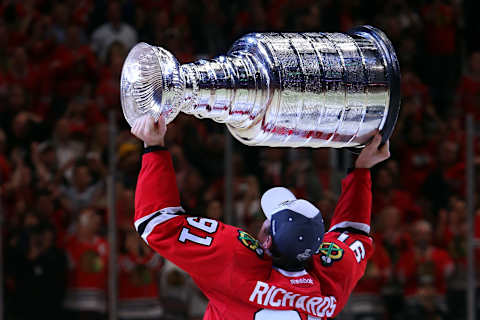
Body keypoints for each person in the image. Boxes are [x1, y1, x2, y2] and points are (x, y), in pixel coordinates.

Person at [131, 115, 390, 319]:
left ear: (266, 241)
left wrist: (153, 148)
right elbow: (353, 233)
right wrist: (362, 169)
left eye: (267, 220)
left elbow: (156, 223)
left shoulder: (236, 262)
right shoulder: (330, 281)